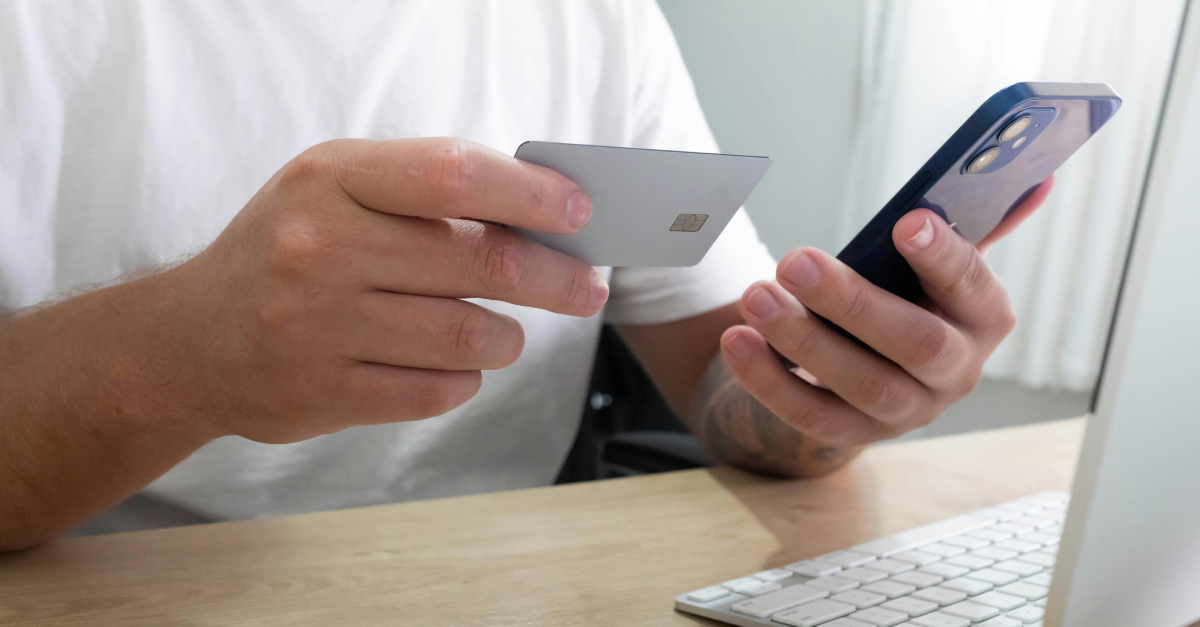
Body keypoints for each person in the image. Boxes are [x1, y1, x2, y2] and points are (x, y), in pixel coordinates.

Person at [0, 0, 1050, 551]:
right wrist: (182, 355)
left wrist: (838, 387)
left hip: (516, 583)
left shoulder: (599, 16)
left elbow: (731, 393)